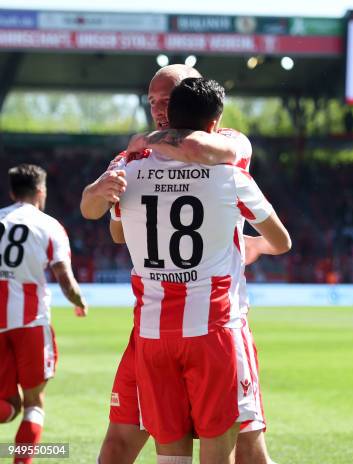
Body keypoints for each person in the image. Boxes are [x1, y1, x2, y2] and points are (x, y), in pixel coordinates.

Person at [80, 65, 275, 464]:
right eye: (151, 102)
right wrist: (103, 193)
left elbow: (201, 149)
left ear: (191, 98)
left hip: (218, 321)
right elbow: (113, 231)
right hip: (152, 325)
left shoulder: (229, 141)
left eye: (166, 100)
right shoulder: (133, 158)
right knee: (119, 442)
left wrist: (143, 143)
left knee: (249, 449)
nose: (158, 110)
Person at [0, 164, 87, 464]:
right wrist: (79, 301)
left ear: (12, 191)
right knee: (33, 403)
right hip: (31, 322)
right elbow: (65, 279)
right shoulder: (50, 226)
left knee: (8, 405)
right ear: (41, 191)